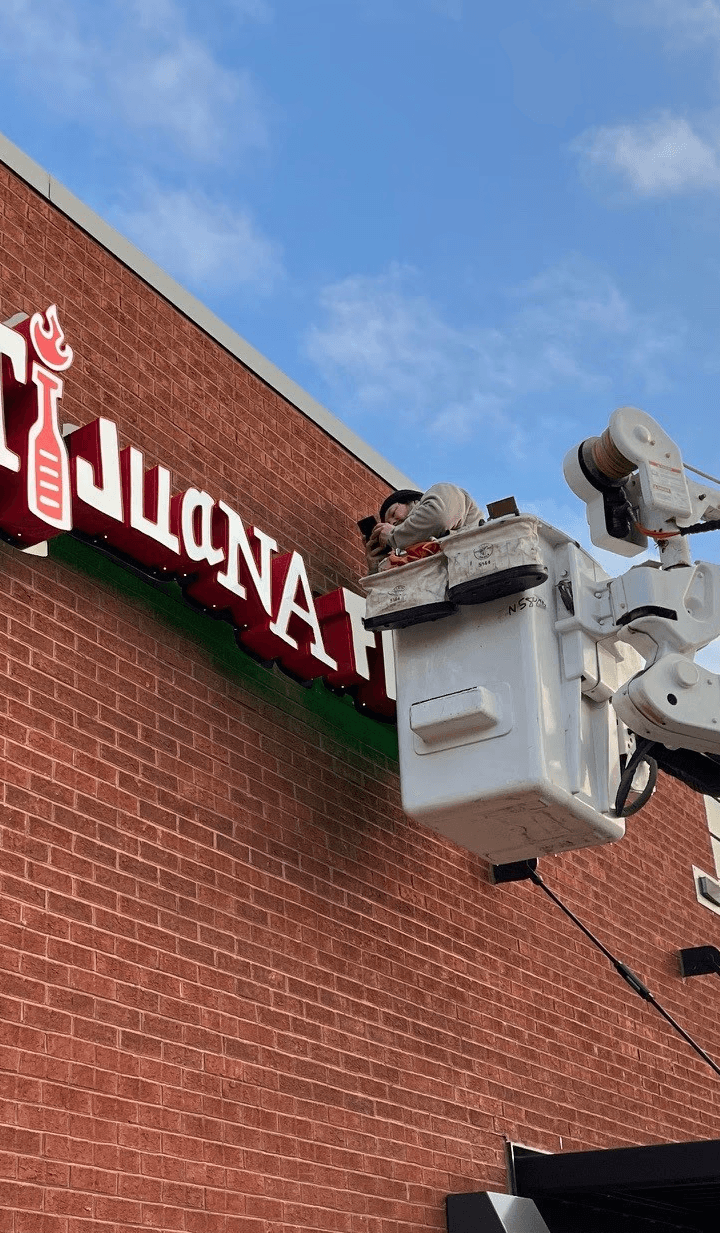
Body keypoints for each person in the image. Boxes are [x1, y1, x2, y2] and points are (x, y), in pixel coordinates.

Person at [365, 484, 483, 574]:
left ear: (413, 501)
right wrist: (376, 568)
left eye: (393, 512)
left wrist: (393, 535)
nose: (393, 522)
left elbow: (439, 517)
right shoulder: (408, 548)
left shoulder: (441, 491)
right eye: (390, 523)